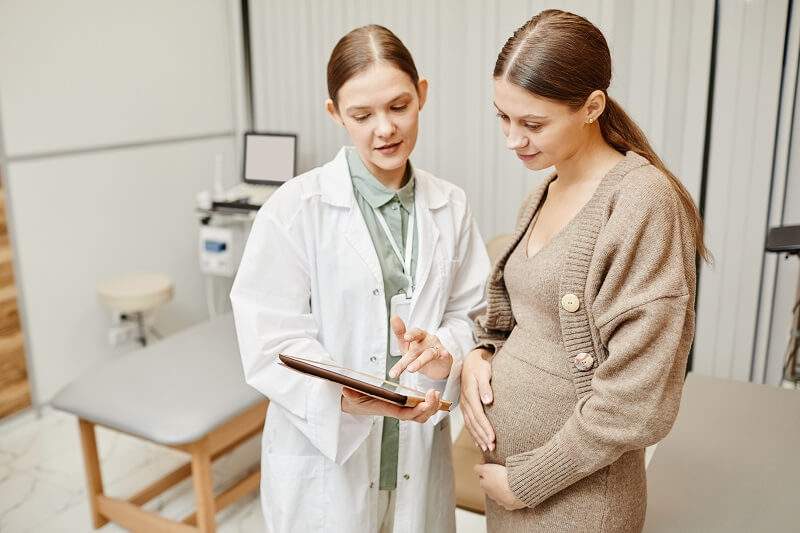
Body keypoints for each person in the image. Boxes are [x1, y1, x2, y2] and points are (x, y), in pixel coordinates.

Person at [230, 24, 490, 533]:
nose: (384, 130)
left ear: (422, 95)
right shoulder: (295, 208)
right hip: (327, 456)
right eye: (361, 115)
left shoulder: (451, 205)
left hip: (416, 451)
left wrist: (445, 352)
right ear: (335, 114)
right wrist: (344, 397)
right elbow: (268, 337)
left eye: (398, 107)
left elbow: (470, 313)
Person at [460, 9, 710, 532]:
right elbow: (522, 320)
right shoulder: (541, 194)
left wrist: (526, 482)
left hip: (577, 501)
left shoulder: (642, 202)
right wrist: (480, 355)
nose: (513, 140)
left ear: (592, 106)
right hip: (508, 487)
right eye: (502, 117)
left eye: (533, 124)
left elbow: (636, 399)